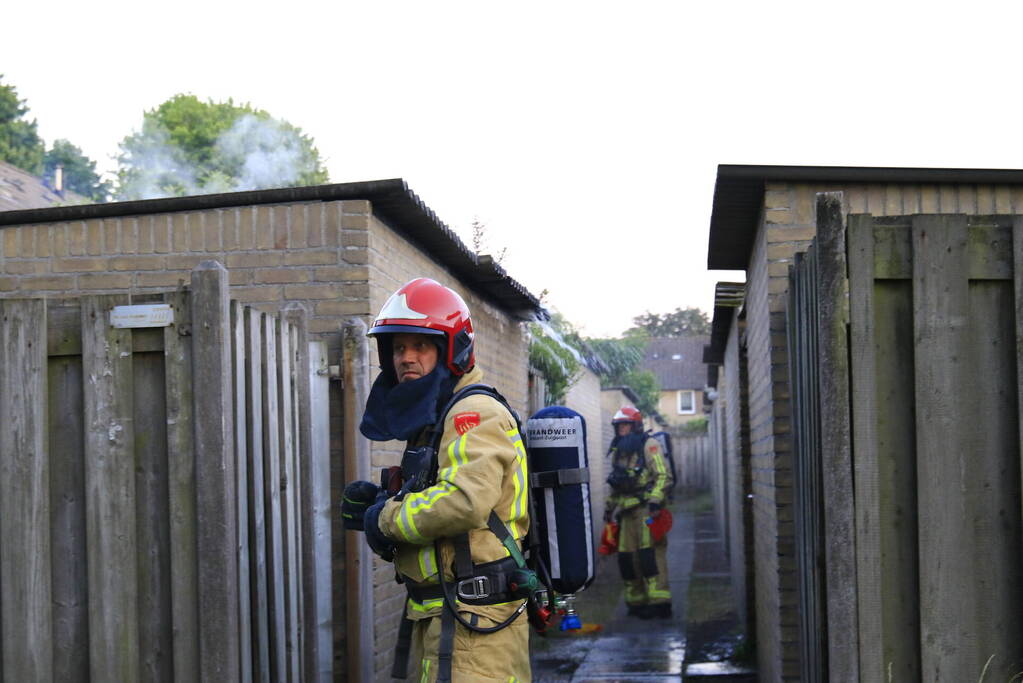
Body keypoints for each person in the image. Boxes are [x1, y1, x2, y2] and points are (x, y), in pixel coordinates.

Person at [341, 277, 531, 683]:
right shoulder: (436, 419)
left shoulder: (474, 412)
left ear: (453, 349)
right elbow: (434, 507)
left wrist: (385, 518)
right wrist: (380, 502)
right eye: (398, 347)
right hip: (444, 618)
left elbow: (464, 501)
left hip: (475, 628)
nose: (407, 357)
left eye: (421, 345)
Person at [603, 406, 672, 619]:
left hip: (646, 510)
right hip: (625, 512)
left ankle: (660, 603)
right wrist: (609, 509)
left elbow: (663, 475)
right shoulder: (620, 452)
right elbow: (617, 484)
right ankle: (636, 603)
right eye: (619, 426)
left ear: (636, 426)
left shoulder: (649, 446)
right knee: (627, 558)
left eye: (625, 425)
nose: (622, 430)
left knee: (648, 556)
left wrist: (654, 501)